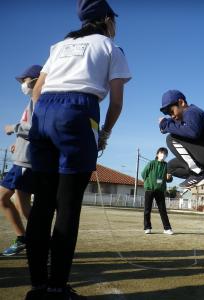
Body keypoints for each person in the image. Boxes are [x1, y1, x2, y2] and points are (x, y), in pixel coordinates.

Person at [24, 0, 131, 299]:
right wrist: (105, 134)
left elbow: (37, 89)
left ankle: (38, 288)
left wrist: (43, 117)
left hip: (44, 111)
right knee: (68, 205)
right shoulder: (111, 48)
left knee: (43, 203)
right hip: (78, 110)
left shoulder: (58, 46)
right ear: (107, 20)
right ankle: (58, 288)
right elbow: (117, 101)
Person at [0, 65, 41, 256]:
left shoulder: (39, 98)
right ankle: (33, 241)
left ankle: (30, 239)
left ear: (34, 80)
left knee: (3, 199)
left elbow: (35, 128)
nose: (22, 85)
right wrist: (18, 143)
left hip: (26, 162)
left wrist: (13, 128)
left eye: (23, 80)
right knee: (21, 204)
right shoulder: (32, 101)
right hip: (23, 159)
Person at [159, 90, 204, 193]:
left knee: (171, 138)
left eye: (172, 111)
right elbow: (176, 124)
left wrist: (166, 125)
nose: (172, 116)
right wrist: (166, 123)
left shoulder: (191, 111)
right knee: (170, 167)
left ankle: (199, 174)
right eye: (169, 114)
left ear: (181, 103)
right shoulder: (183, 118)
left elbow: (192, 132)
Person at [142, 147, 174, 235]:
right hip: (149, 189)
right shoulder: (151, 163)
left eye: (165, 154)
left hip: (160, 190)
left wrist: (169, 177)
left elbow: (169, 179)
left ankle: (167, 228)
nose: (163, 155)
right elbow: (143, 174)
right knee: (147, 209)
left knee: (163, 210)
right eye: (161, 153)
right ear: (157, 154)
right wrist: (148, 182)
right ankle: (147, 227)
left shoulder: (166, 165)